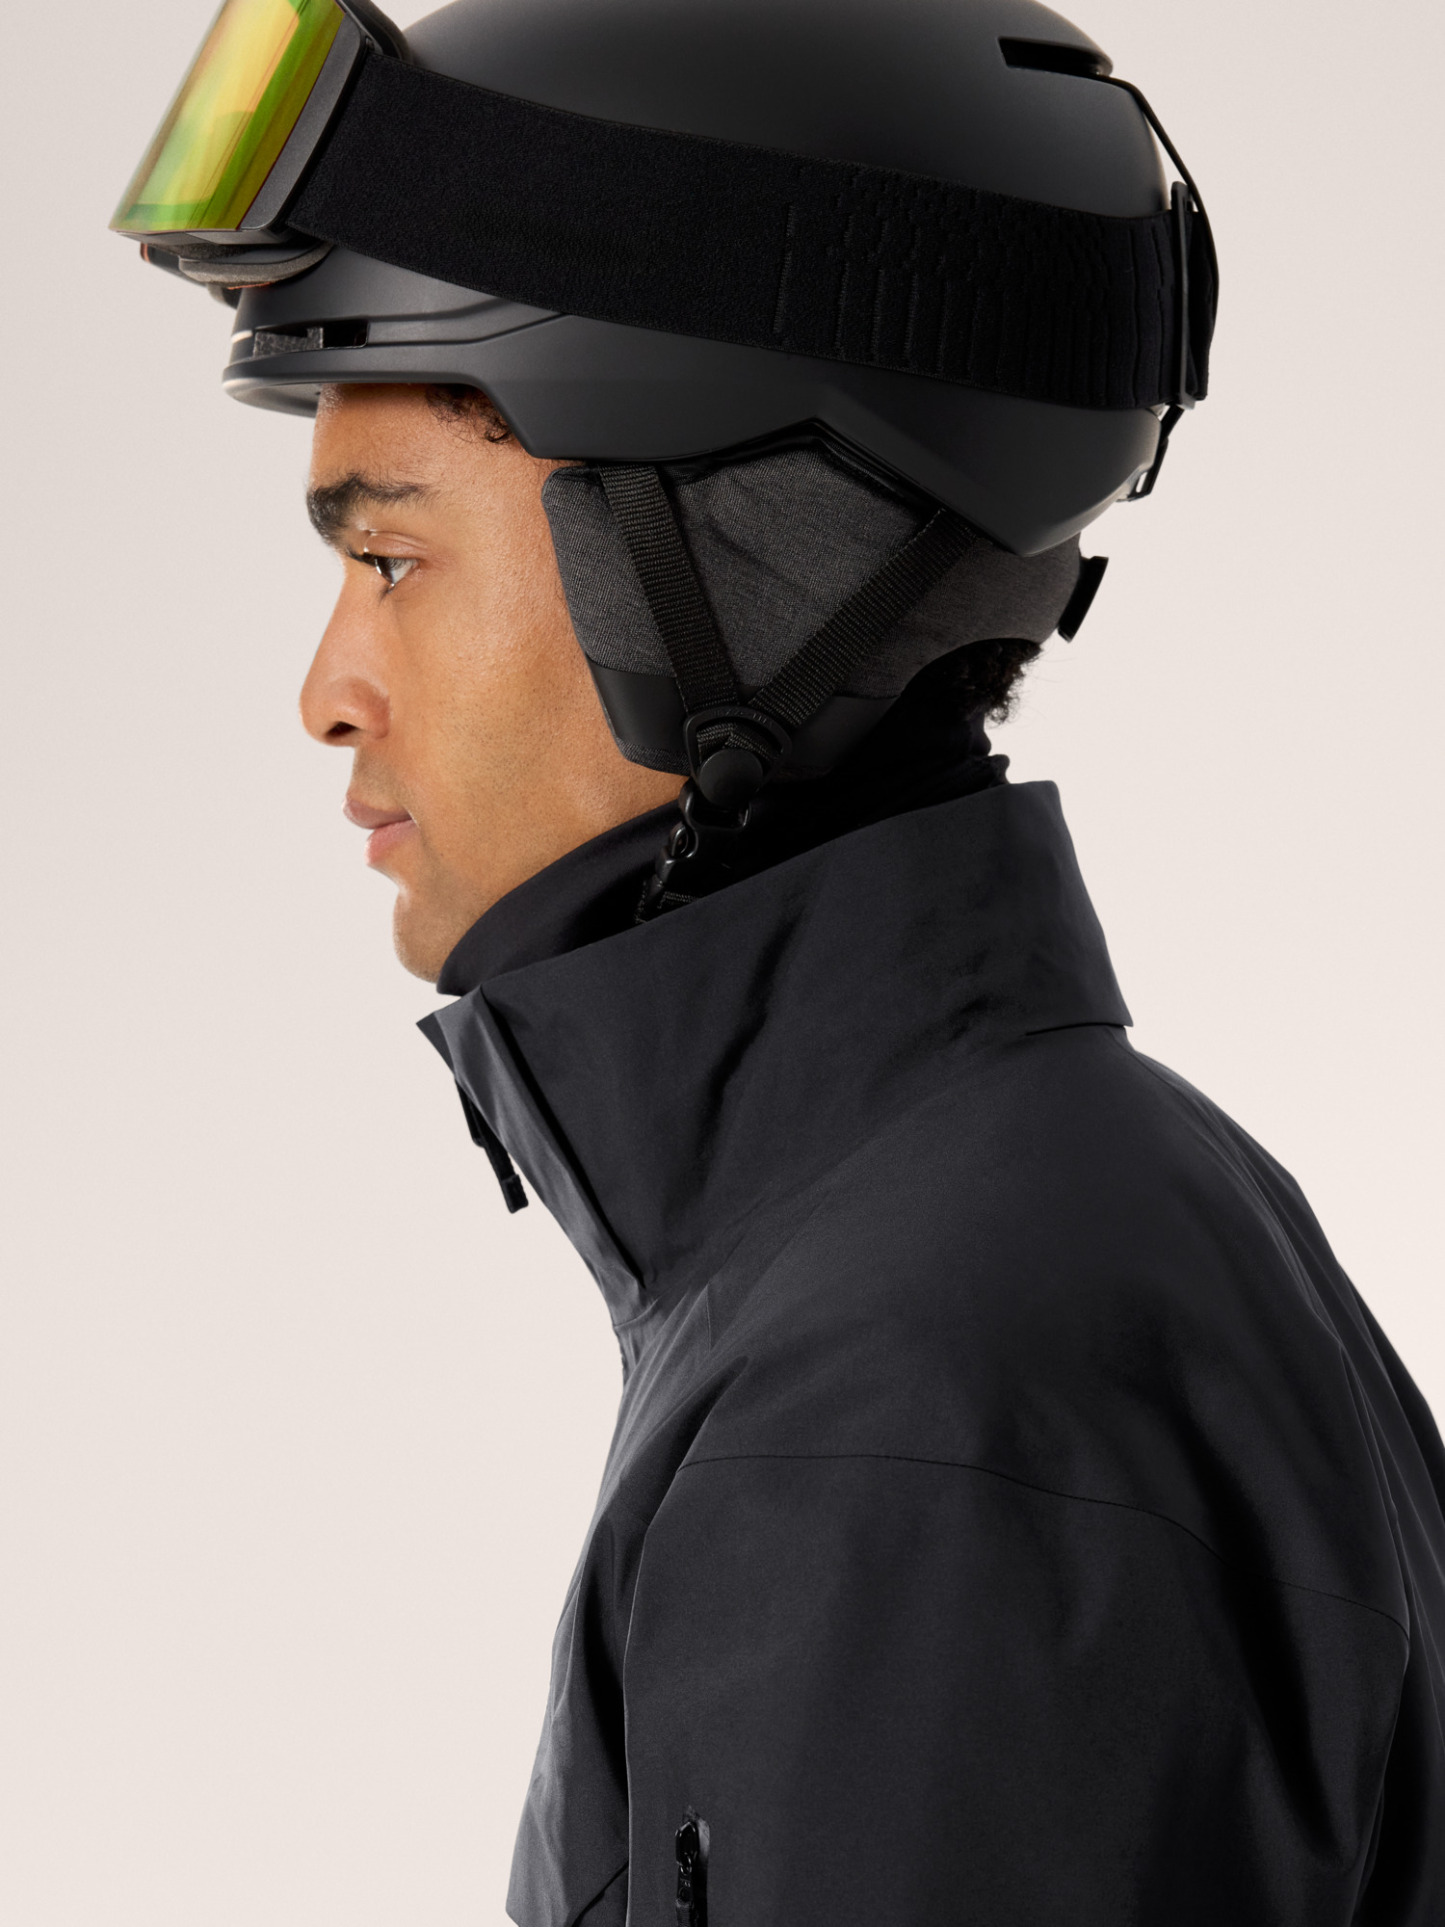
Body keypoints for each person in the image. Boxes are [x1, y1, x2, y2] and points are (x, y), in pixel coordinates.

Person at [111, 0, 1445, 1919]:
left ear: (741, 562)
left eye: (390, 558)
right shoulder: (1005, 1234)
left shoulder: (925, 1386)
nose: (328, 690)